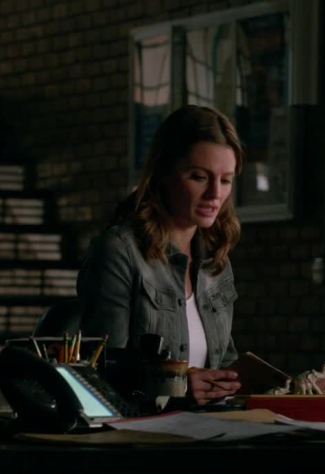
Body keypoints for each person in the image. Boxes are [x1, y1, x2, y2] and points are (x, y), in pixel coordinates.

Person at [77, 105, 243, 405]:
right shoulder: (119, 252)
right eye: (199, 177)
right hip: (138, 429)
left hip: (208, 425)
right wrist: (177, 385)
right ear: (164, 172)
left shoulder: (215, 261)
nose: (215, 194)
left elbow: (225, 362)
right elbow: (100, 368)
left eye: (226, 180)